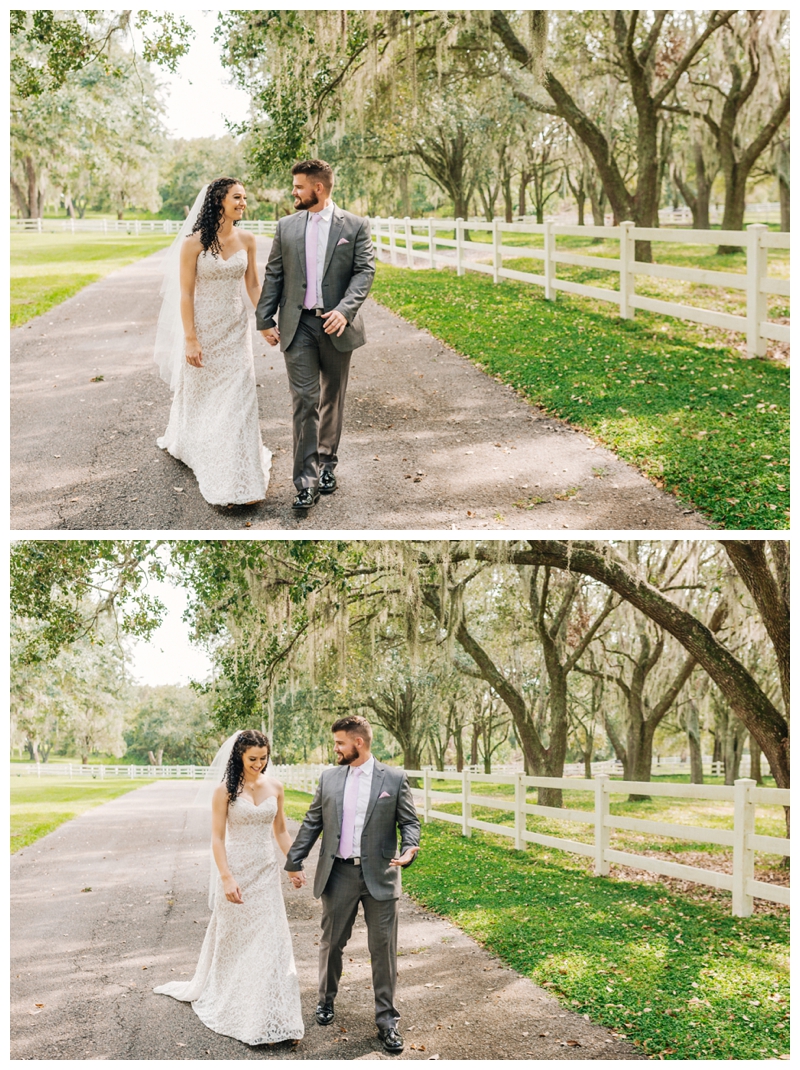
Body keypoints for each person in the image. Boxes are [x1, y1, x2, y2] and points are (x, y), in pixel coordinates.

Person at [153, 730, 304, 1047]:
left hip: (265, 873)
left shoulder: (275, 787)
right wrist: (225, 877)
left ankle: (274, 1019)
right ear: (239, 756)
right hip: (236, 872)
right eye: (252, 759)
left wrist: (293, 864)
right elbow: (217, 838)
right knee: (236, 944)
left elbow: (280, 833)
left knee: (271, 942)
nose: (259, 765)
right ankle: (239, 1007)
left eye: (264, 758)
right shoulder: (225, 791)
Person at [284, 715, 420, 1053]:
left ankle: (387, 1021)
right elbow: (312, 821)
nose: (336, 749)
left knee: (383, 951)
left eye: (340, 743)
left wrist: (409, 849)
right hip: (339, 875)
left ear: (358, 743)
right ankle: (325, 1001)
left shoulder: (394, 778)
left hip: (382, 877)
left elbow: (410, 822)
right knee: (331, 944)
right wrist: (293, 860)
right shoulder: (329, 778)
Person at [255, 159, 375, 511]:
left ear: (317, 189)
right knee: (305, 401)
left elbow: (364, 271)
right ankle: (305, 482)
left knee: (332, 398)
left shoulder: (354, 226)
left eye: (298, 187)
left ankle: (327, 464)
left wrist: (345, 310)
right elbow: (274, 273)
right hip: (299, 325)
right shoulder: (286, 226)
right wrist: (264, 318)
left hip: (336, 325)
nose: (293, 192)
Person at [154, 178, 272, 507]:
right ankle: (196, 444)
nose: (243, 202)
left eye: (245, 197)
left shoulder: (247, 240)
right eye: (237, 197)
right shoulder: (193, 244)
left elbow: (252, 286)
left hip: (236, 331)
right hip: (204, 331)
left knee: (239, 401)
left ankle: (238, 481)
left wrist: (265, 323)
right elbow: (186, 293)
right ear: (219, 200)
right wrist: (190, 339)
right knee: (203, 397)